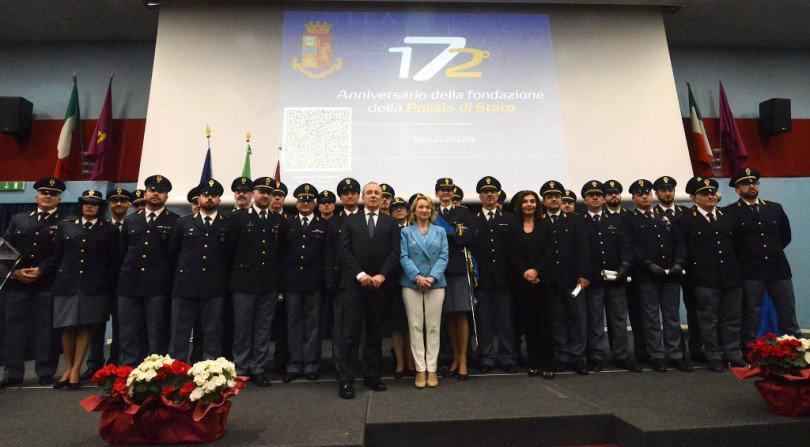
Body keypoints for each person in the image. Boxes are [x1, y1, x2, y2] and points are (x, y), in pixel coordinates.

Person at [724, 167, 802, 357]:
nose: (751, 186)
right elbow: (730, 243)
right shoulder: (730, 213)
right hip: (750, 270)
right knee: (751, 314)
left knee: (787, 312)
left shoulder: (774, 208)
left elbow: (785, 236)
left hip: (778, 269)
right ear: (737, 190)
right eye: (745, 184)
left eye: (754, 182)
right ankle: (749, 352)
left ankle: (794, 351)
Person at [336, 182, 401, 399]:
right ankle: (347, 380)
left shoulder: (390, 223)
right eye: (369, 193)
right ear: (363, 198)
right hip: (355, 285)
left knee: (374, 334)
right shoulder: (350, 220)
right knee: (350, 334)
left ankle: (372, 377)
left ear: (383, 199)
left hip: (380, 286)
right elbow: (344, 251)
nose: (373, 196)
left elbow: (395, 253)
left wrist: (382, 275)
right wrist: (361, 275)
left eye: (377, 194)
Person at [1, 178, 66, 388]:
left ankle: (45, 372)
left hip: (47, 283)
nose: (47, 196)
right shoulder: (19, 220)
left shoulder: (66, 222)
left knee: (46, 330)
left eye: (52, 193)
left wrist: (41, 270)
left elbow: (62, 254)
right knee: (14, 331)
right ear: (37, 196)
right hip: (17, 283)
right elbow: (5, 248)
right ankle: (13, 373)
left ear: (59, 198)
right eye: (44, 192)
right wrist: (15, 272)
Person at [50, 190, 117, 389]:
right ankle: (68, 368)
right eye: (86, 203)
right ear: (80, 205)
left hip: (94, 285)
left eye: (94, 204)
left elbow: (113, 260)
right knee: (67, 326)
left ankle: (77, 369)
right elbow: (57, 256)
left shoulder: (108, 230)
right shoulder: (66, 226)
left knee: (86, 326)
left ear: (100, 207)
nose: (89, 206)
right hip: (68, 283)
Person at [678, 176, 746, 372]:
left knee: (732, 318)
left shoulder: (728, 218)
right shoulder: (685, 220)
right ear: (693, 197)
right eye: (704, 194)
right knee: (708, 319)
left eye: (712, 193)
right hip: (704, 279)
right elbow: (683, 250)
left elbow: (738, 247)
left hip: (731, 276)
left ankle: (732, 354)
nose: (710, 196)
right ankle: (714, 355)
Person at [623, 179, 691, 373]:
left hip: (670, 275)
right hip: (647, 276)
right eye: (640, 194)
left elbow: (679, 241)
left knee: (672, 317)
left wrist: (678, 263)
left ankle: (675, 355)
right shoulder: (630, 219)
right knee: (651, 318)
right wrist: (647, 264)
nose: (645, 197)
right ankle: (657, 356)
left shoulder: (665, 217)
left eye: (647, 193)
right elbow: (631, 246)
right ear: (634, 198)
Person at [225, 177, 286, 386]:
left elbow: (281, 253)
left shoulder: (279, 221)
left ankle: (258, 368)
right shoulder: (239, 218)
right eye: (261, 191)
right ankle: (241, 368)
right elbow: (229, 250)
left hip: (268, 283)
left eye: (269, 193)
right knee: (242, 328)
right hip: (243, 282)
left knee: (263, 328)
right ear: (253, 194)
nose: (265, 196)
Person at [117, 175, 179, 367]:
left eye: (160, 192)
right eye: (152, 190)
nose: (155, 194)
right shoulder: (130, 221)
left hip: (158, 286)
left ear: (166, 197)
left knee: (157, 333)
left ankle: (155, 372)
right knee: (129, 332)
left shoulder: (176, 221)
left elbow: (175, 255)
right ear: (145, 194)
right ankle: (128, 372)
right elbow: (121, 253)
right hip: (130, 285)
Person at [580, 181, 641, 372]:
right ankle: (596, 356)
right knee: (595, 320)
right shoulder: (580, 221)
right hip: (593, 279)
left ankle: (621, 355)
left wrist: (625, 266)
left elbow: (626, 246)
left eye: (599, 195)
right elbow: (579, 252)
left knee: (618, 319)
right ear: (585, 200)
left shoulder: (617, 219)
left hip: (616, 278)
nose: (596, 198)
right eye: (591, 195)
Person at [168, 179, 229, 362]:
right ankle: (176, 371)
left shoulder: (227, 223)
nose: (209, 198)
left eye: (214, 195)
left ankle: (210, 372)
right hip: (185, 285)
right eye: (205, 195)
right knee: (180, 332)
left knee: (212, 333)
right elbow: (173, 253)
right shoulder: (183, 223)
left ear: (219, 199)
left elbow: (230, 254)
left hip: (214, 286)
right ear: (199, 198)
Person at [80, 187, 132, 379]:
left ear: (129, 205)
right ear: (109, 205)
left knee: (122, 326)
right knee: (96, 326)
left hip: (126, 286)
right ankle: (94, 364)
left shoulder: (134, 224)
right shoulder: (99, 227)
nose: (119, 204)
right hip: (100, 285)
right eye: (115, 201)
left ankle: (116, 363)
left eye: (123, 201)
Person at [653, 176, 705, 363]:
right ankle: (677, 352)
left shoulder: (686, 213)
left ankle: (698, 348)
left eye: (671, 190)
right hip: (668, 271)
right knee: (671, 313)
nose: (668, 193)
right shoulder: (653, 215)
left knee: (696, 310)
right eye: (664, 190)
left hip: (691, 269)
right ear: (657, 193)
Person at [541, 180, 590, 375]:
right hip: (549, 280)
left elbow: (584, 249)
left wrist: (584, 275)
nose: (554, 199)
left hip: (573, 279)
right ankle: (562, 356)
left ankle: (579, 357)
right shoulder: (540, 221)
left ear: (562, 200)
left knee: (577, 319)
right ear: (544, 201)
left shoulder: (575, 220)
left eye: (557, 196)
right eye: (550, 197)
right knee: (557, 320)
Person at [400, 194, 449, 388]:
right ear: (414, 211)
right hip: (412, 283)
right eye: (420, 207)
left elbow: (444, 256)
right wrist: (417, 277)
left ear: (431, 211)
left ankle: (432, 369)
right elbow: (403, 257)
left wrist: (432, 277)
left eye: (427, 207)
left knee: (434, 327)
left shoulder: (440, 231)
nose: (424, 210)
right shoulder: (406, 232)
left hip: (435, 283)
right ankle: (420, 370)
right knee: (416, 327)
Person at [282, 183, 329, 382]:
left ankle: (311, 364)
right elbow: (281, 255)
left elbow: (327, 257)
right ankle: (294, 363)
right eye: (302, 200)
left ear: (314, 204)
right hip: (292, 283)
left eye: (309, 200)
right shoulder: (288, 224)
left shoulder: (323, 225)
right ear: (297, 202)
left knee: (313, 326)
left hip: (314, 283)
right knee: (293, 324)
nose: (306, 203)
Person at [507, 190, 555, 378]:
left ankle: (548, 363)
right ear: (519, 205)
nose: (529, 204)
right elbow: (511, 253)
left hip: (544, 281)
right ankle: (533, 362)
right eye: (525, 201)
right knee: (529, 324)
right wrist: (526, 272)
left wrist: (536, 270)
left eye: (532, 201)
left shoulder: (545, 225)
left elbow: (550, 251)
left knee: (545, 324)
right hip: (523, 282)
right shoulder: (513, 226)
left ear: (538, 204)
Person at [472, 176, 517, 374]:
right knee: (485, 322)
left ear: (498, 195)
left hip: (505, 278)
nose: (489, 194)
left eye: (493, 191)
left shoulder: (509, 220)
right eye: (485, 191)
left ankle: (508, 357)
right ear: (480, 196)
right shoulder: (473, 220)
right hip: (482, 280)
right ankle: (486, 357)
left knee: (506, 321)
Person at [434, 178, 477, 381]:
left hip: (459, 268)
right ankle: (454, 358)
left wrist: (449, 234)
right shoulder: (431, 212)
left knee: (461, 314)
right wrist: (455, 233)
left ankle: (462, 360)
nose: (445, 193)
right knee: (448, 316)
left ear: (453, 193)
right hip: (439, 269)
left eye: (449, 190)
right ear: (436, 193)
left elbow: (471, 237)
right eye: (442, 190)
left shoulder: (464, 212)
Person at [387, 197, 415, 378]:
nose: (398, 210)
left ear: (407, 210)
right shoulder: (387, 229)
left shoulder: (415, 228)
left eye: (401, 207)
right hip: (393, 282)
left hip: (414, 281)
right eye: (394, 208)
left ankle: (412, 361)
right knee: (397, 325)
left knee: (413, 324)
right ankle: (399, 362)